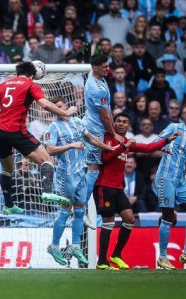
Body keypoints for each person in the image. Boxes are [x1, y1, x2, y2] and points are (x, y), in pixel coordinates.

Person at [0, 62, 77, 215]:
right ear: (32, 75)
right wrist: (65, 113)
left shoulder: (3, 85)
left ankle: (8, 205)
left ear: (17, 72)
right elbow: (45, 104)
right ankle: (47, 192)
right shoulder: (31, 85)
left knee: (7, 169)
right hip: (16, 131)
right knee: (47, 162)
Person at [94, 112, 178, 270]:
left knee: (129, 219)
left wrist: (166, 141)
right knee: (108, 223)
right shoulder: (106, 137)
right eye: (118, 121)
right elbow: (105, 158)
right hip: (104, 186)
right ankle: (102, 262)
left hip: (118, 188)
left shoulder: (127, 141)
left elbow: (146, 148)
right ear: (113, 123)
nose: (120, 124)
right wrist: (122, 147)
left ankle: (116, 255)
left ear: (128, 126)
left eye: (124, 122)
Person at [44, 97, 117, 267]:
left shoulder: (77, 122)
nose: (58, 110)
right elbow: (49, 149)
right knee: (64, 211)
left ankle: (75, 246)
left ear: (67, 106)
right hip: (65, 175)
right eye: (55, 108)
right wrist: (71, 145)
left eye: (60, 106)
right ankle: (54, 246)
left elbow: (90, 137)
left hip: (80, 173)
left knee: (79, 211)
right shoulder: (53, 127)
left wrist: (106, 147)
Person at [155, 105, 186, 270]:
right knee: (167, 217)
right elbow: (156, 141)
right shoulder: (174, 127)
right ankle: (162, 257)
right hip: (165, 177)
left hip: (180, 180)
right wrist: (163, 145)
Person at [83, 54, 124, 229]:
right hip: (95, 131)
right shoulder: (96, 87)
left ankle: (81, 205)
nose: (108, 69)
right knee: (92, 169)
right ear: (95, 67)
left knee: (94, 168)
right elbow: (104, 115)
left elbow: (106, 111)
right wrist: (114, 134)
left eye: (108, 66)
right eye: (105, 66)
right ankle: (81, 207)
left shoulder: (98, 79)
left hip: (97, 128)